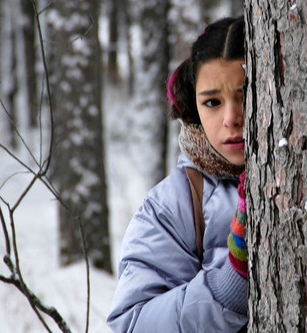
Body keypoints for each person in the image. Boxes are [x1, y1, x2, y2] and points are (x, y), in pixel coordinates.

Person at [107, 16, 249, 333]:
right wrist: (232, 280)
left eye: (245, 93)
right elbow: (132, 324)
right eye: (212, 102)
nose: (231, 118)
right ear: (194, 108)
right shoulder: (172, 205)